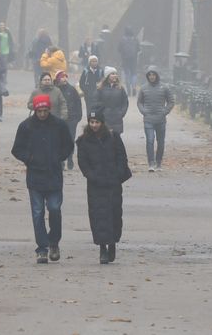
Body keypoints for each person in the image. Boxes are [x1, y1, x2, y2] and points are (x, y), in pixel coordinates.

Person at [11, 93, 74, 264]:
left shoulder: (59, 125)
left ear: (49, 109)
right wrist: (30, 158)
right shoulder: (26, 126)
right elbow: (17, 149)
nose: (42, 114)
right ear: (35, 110)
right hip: (35, 176)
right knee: (37, 213)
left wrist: (58, 157)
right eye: (40, 111)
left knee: (54, 209)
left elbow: (69, 145)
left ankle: (54, 242)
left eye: (45, 110)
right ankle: (42, 248)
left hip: (54, 175)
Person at [76, 109, 131, 264]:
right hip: (95, 185)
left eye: (97, 122)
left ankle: (112, 242)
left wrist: (118, 174)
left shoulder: (113, 137)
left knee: (114, 214)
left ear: (102, 122)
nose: (94, 125)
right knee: (98, 216)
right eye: (91, 122)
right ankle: (102, 248)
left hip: (113, 183)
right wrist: (92, 176)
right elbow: (83, 162)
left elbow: (122, 156)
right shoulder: (84, 141)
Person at [137, 65, 175, 171]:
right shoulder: (144, 88)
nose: (152, 77)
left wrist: (165, 111)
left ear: (157, 75)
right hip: (148, 119)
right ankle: (151, 163)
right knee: (150, 140)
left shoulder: (164, 87)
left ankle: (159, 162)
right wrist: (143, 111)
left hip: (161, 119)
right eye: (150, 75)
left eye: (153, 74)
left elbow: (171, 101)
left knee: (161, 141)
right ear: (147, 76)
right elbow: (139, 102)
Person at [54, 70, 82, 170]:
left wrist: (78, 117)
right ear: (57, 79)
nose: (65, 79)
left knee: (70, 140)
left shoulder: (72, 89)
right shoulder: (55, 90)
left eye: (66, 77)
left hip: (72, 119)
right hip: (58, 119)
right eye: (62, 77)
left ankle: (70, 158)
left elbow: (78, 103)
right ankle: (61, 160)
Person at [94, 68, 129, 135]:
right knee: (105, 140)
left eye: (116, 74)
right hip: (105, 118)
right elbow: (95, 102)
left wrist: (121, 113)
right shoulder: (100, 88)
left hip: (117, 118)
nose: (115, 75)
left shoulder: (120, 88)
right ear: (107, 76)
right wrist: (101, 113)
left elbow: (125, 102)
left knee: (116, 141)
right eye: (113, 74)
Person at [118, 27, 140, 95]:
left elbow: (118, 49)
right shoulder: (135, 40)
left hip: (125, 59)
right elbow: (138, 49)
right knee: (134, 74)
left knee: (127, 74)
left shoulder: (122, 40)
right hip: (134, 59)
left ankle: (128, 90)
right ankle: (134, 87)